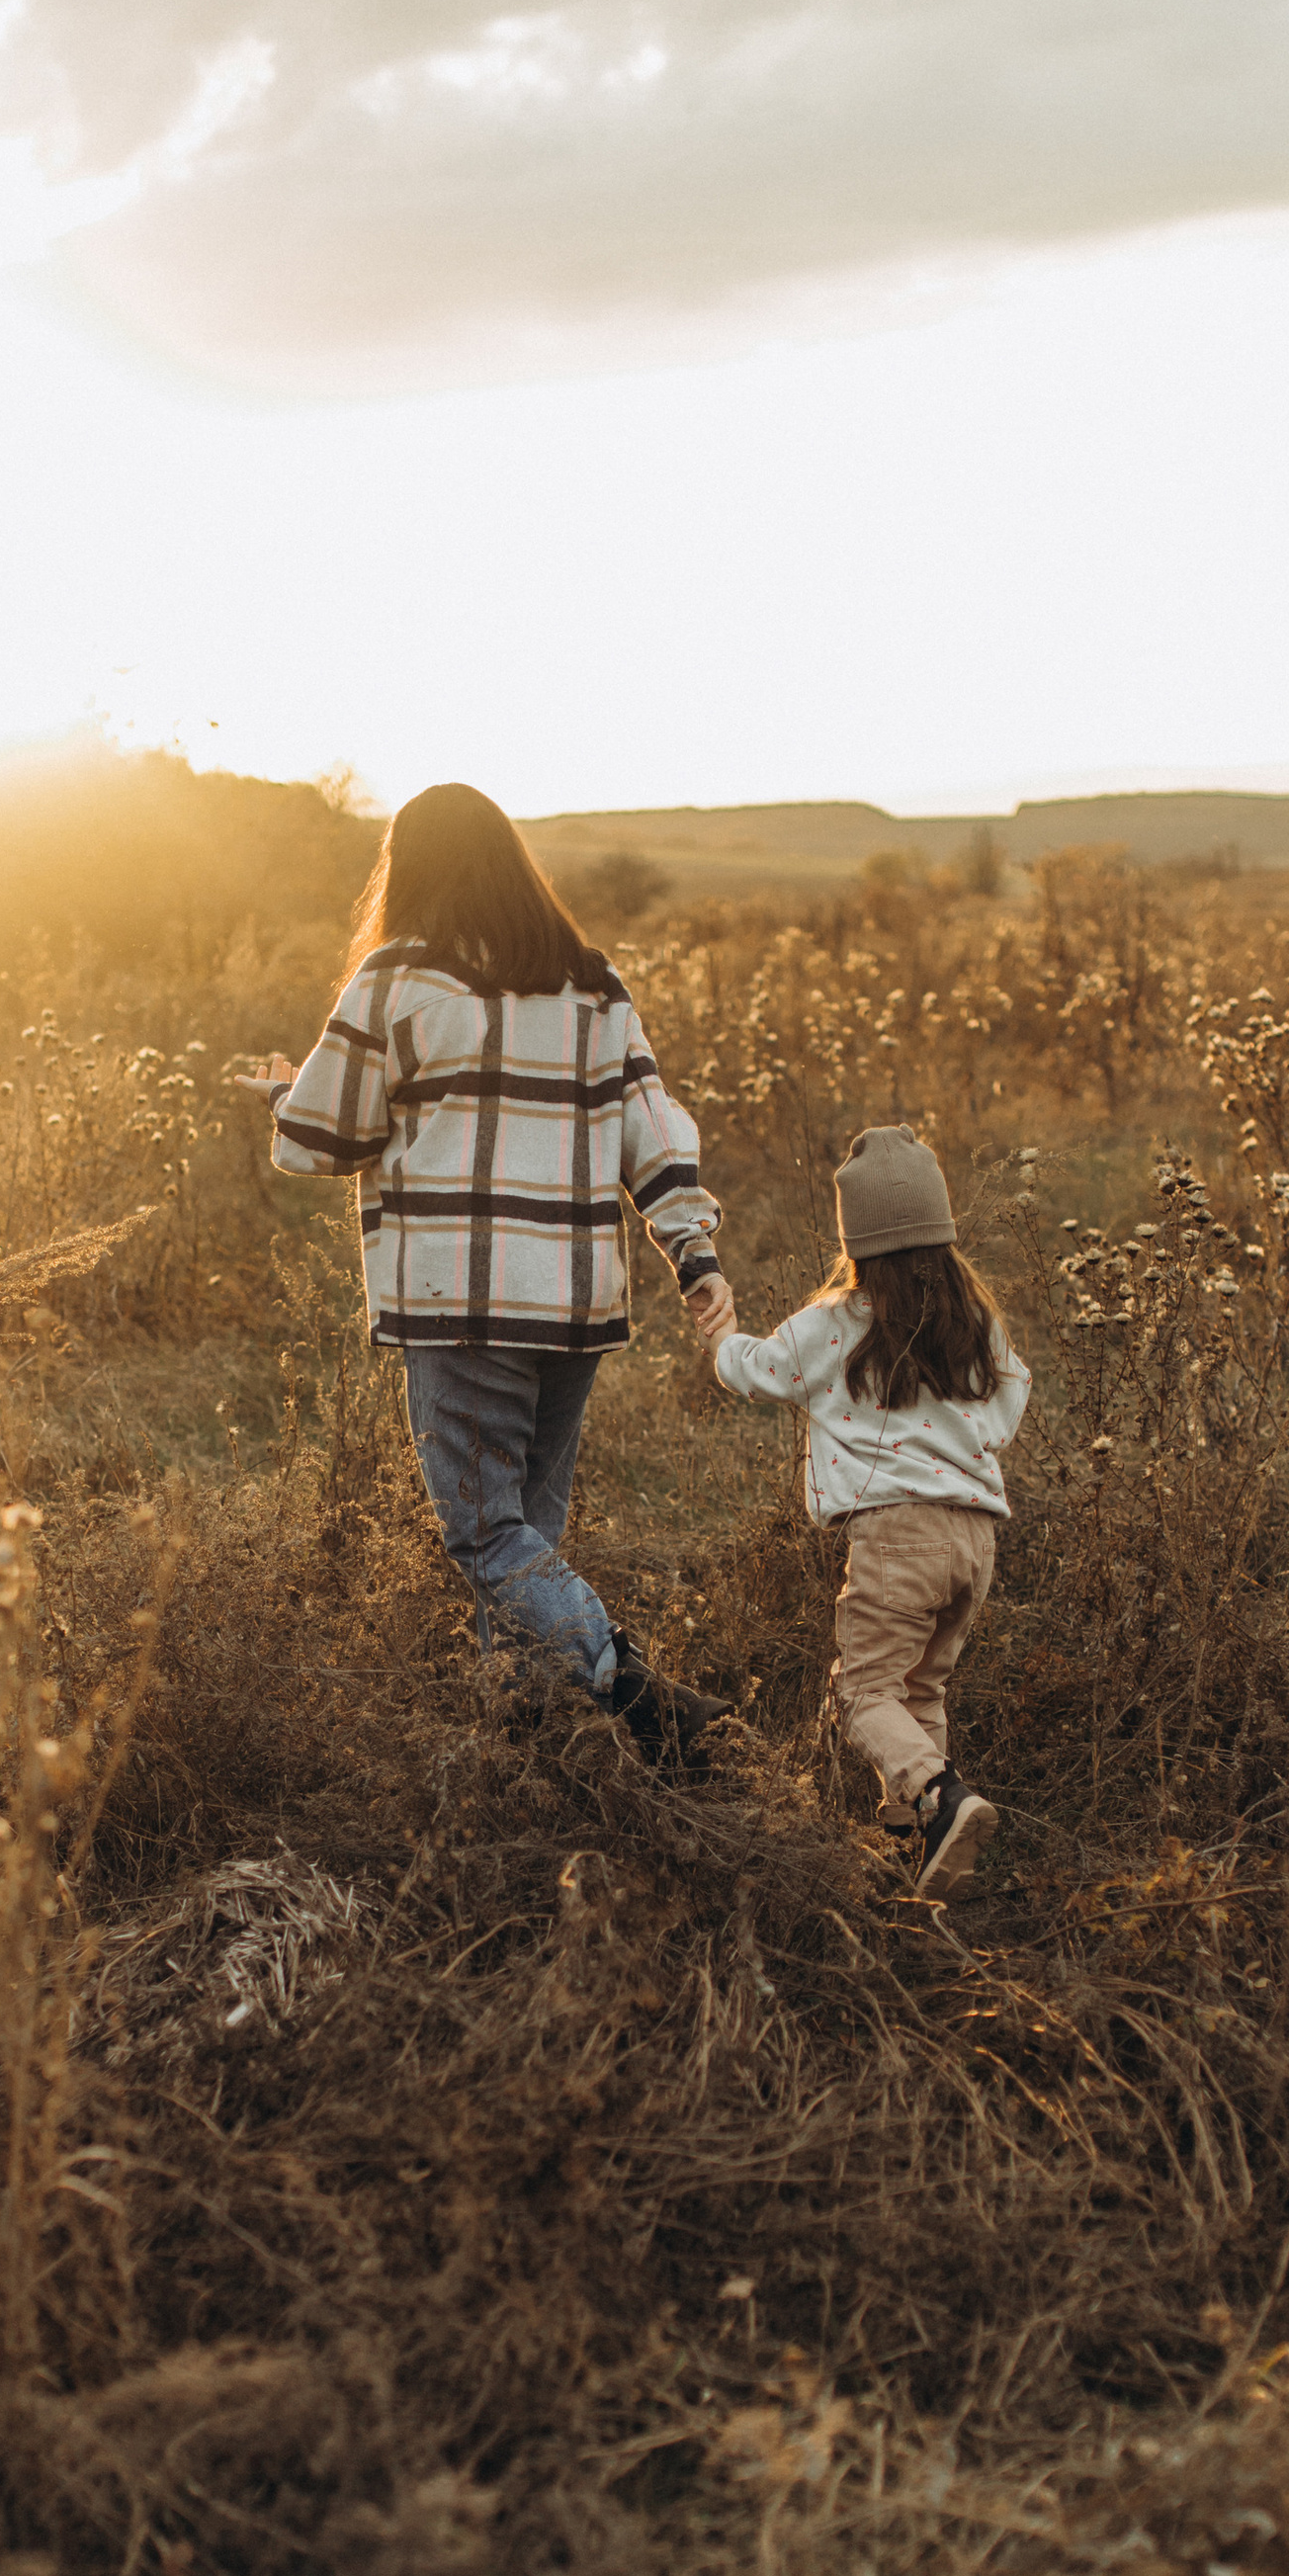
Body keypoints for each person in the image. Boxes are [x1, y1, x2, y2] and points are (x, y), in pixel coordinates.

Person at [238, 783, 733, 1766]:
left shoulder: (396, 979)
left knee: (485, 1539)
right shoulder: (594, 984)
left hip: (463, 1305)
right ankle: (522, 1755)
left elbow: (316, 1142)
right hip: (577, 1308)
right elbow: (655, 1134)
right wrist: (694, 1255)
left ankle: (633, 1689)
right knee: (525, 1542)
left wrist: (283, 1094)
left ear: (409, 869)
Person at [700, 1125, 1028, 1897]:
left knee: (863, 1697)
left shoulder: (837, 1322)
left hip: (895, 1537)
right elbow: (1011, 1396)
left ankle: (942, 1800)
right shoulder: (977, 1320)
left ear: (859, 1244)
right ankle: (921, 1853)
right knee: (920, 1693)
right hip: (975, 1539)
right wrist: (967, 1440)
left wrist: (719, 1337)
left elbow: (762, 1372)